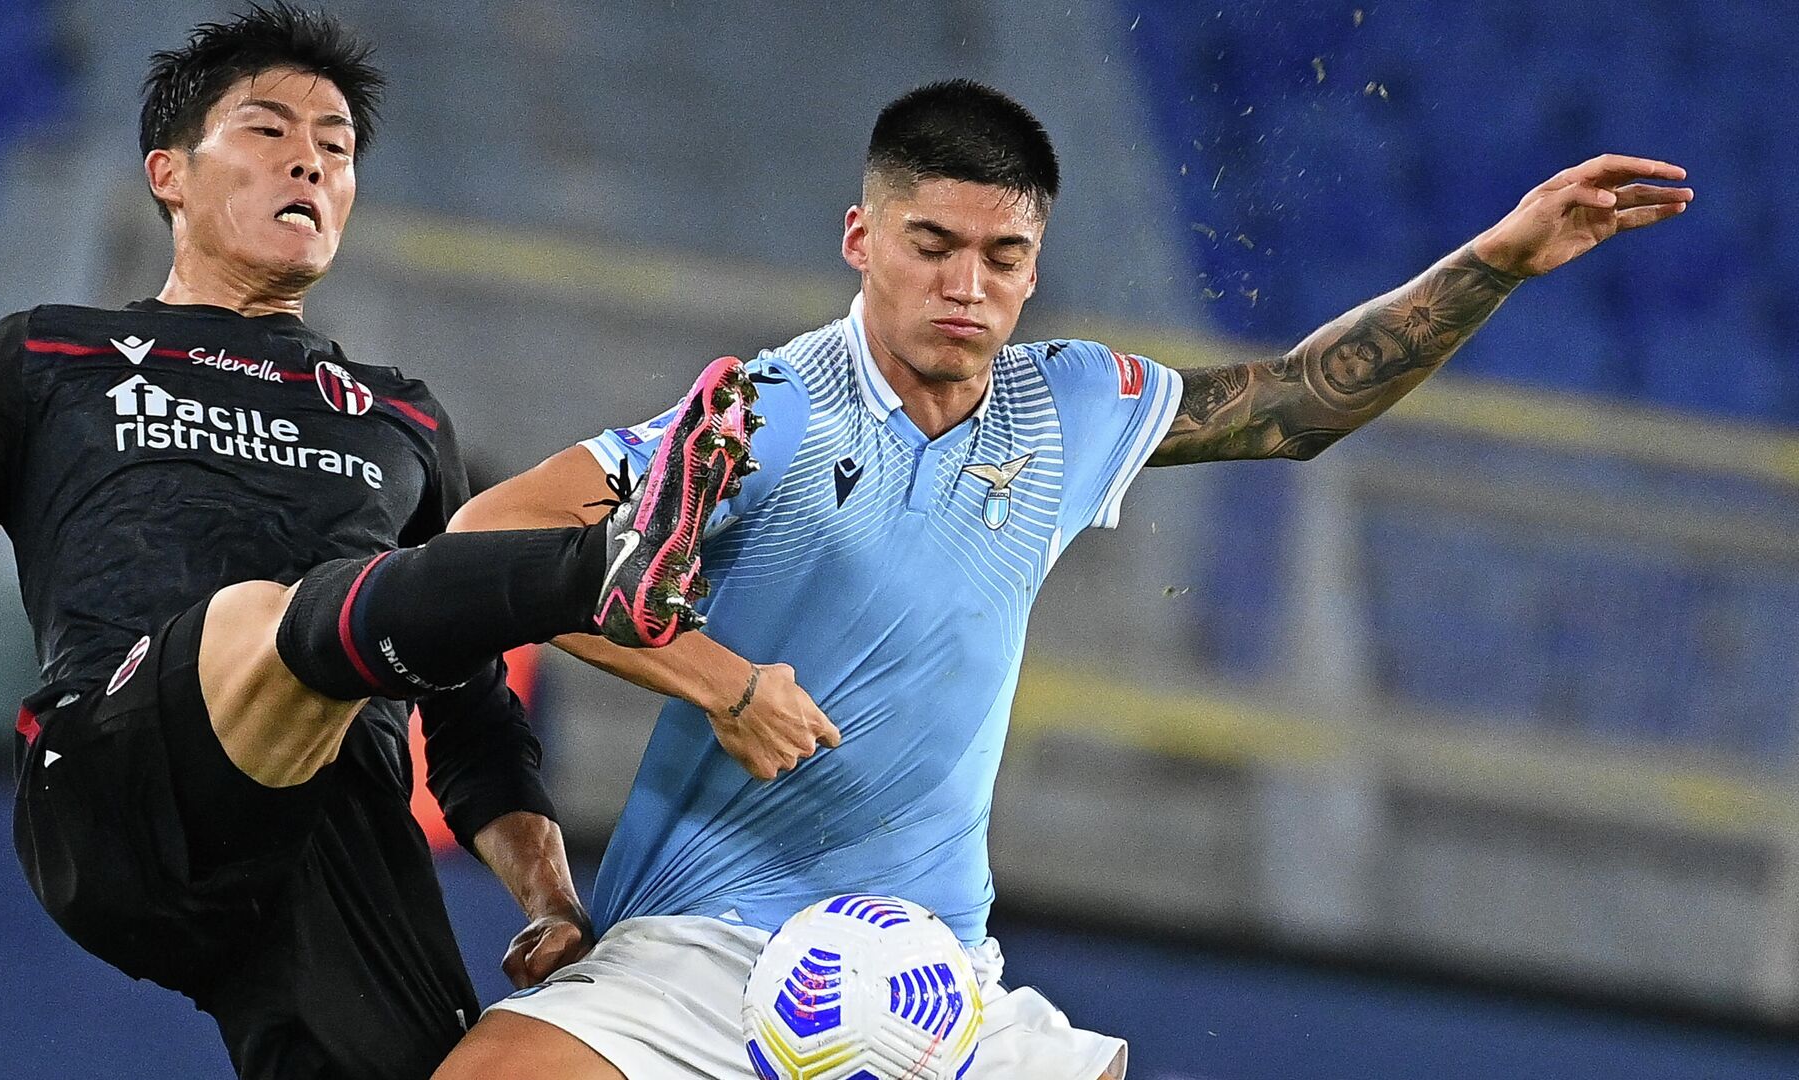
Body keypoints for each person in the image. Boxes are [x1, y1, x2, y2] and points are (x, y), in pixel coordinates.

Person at [432, 79, 1692, 1080]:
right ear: (862, 238)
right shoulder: (765, 411)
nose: (967, 286)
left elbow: (1302, 404)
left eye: (1003, 254)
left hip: (932, 979)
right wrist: (715, 680)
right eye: (931, 245)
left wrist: (1501, 260)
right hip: (704, 947)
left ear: (1037, 263)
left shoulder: (1071, 400)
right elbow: (482, 542)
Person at [0, 5, 758, 1079]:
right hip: (119, 784)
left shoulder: (403, 420)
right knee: (270, 610)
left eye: (336, 149)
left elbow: (472, 715)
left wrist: (552, 900)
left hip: (329, 835)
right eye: (268, 132)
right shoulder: (50, 354)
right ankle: (598, 568)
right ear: (170, 173)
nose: (311, 161)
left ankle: (601, 574)